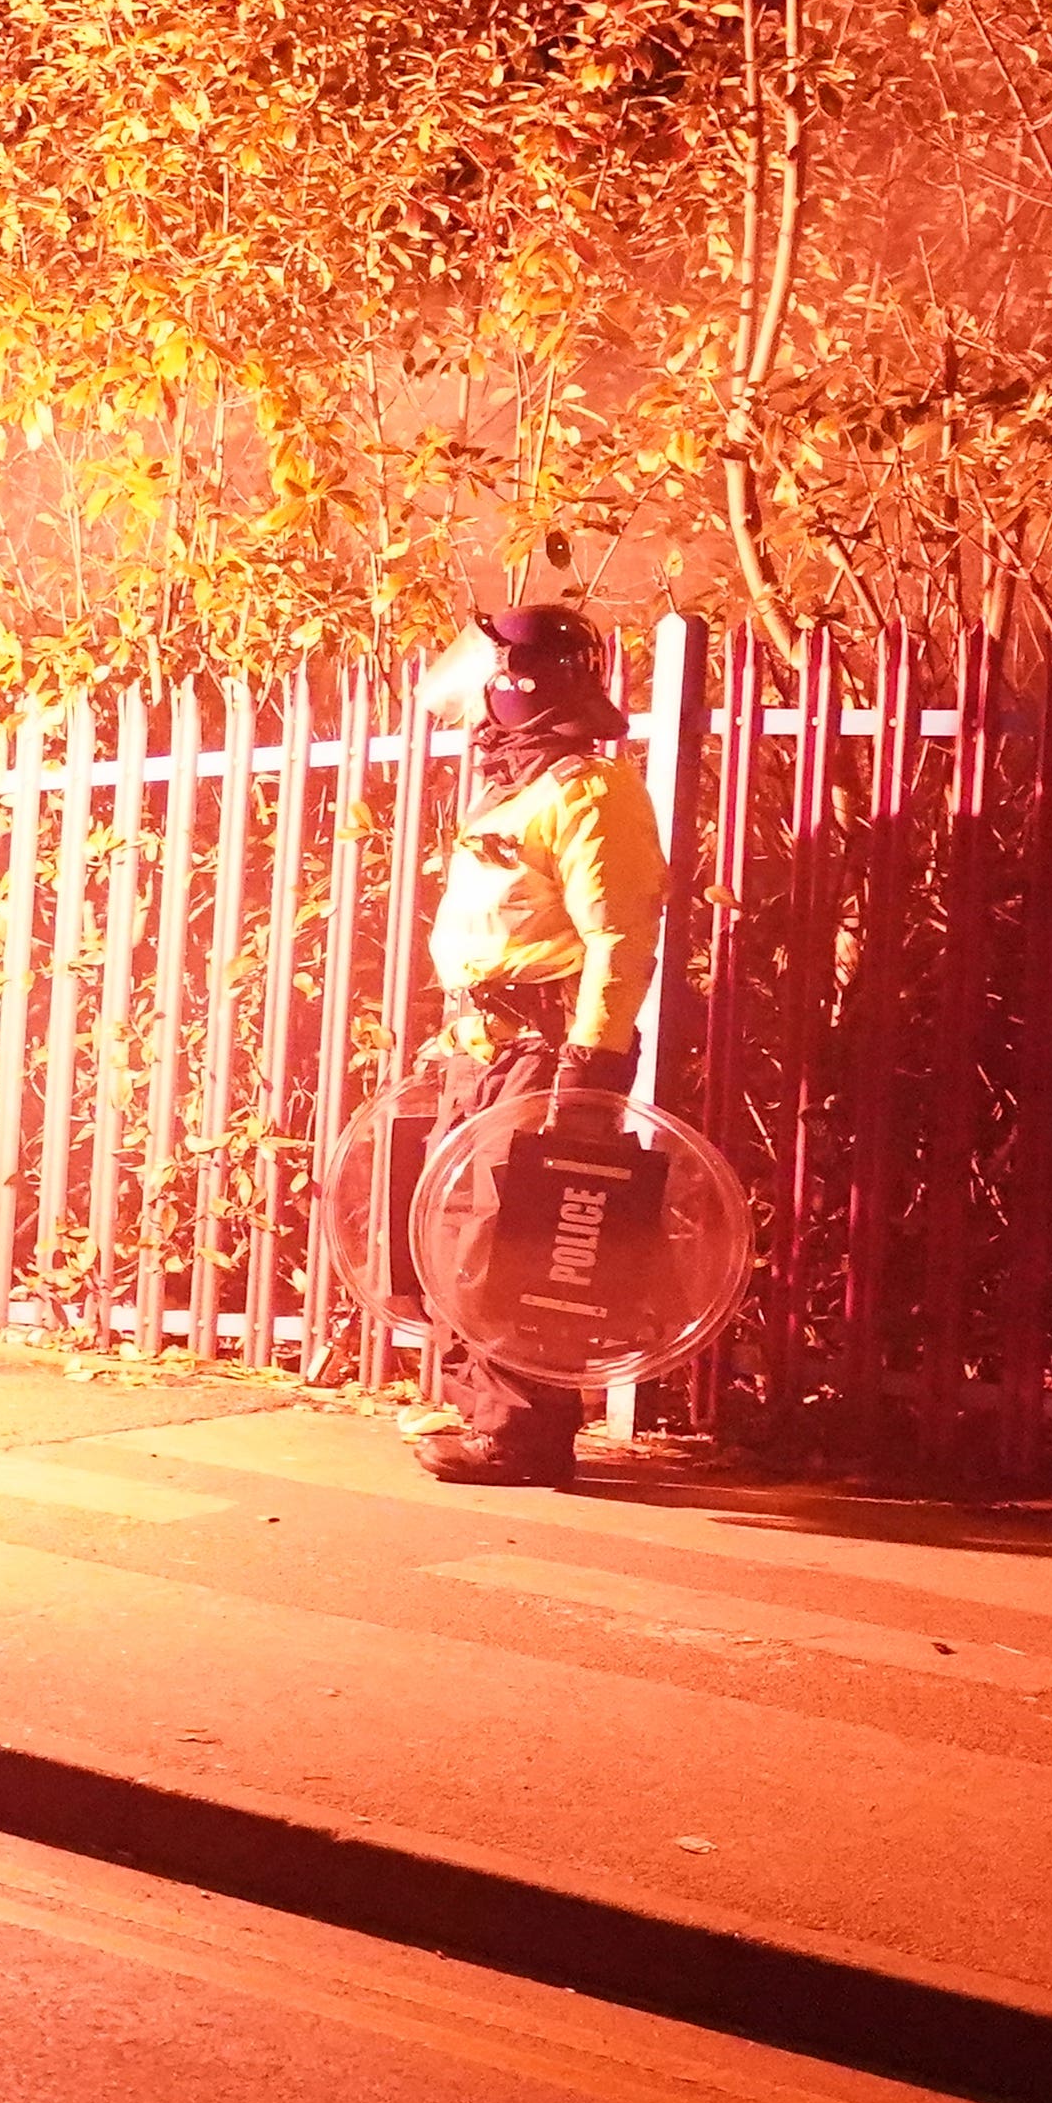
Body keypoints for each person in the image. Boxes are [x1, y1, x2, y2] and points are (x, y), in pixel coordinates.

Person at [409, 601, 664, 1486]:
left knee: (516, 1238)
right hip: (481, 1045)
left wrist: (590, 1067)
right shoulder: (520, 787)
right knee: (461, 1231)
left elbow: (620, 936)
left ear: (522, 685)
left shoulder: (590, 792)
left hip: (544, 1050)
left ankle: (523, 1434)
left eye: (492, 674)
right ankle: (485, 1413)